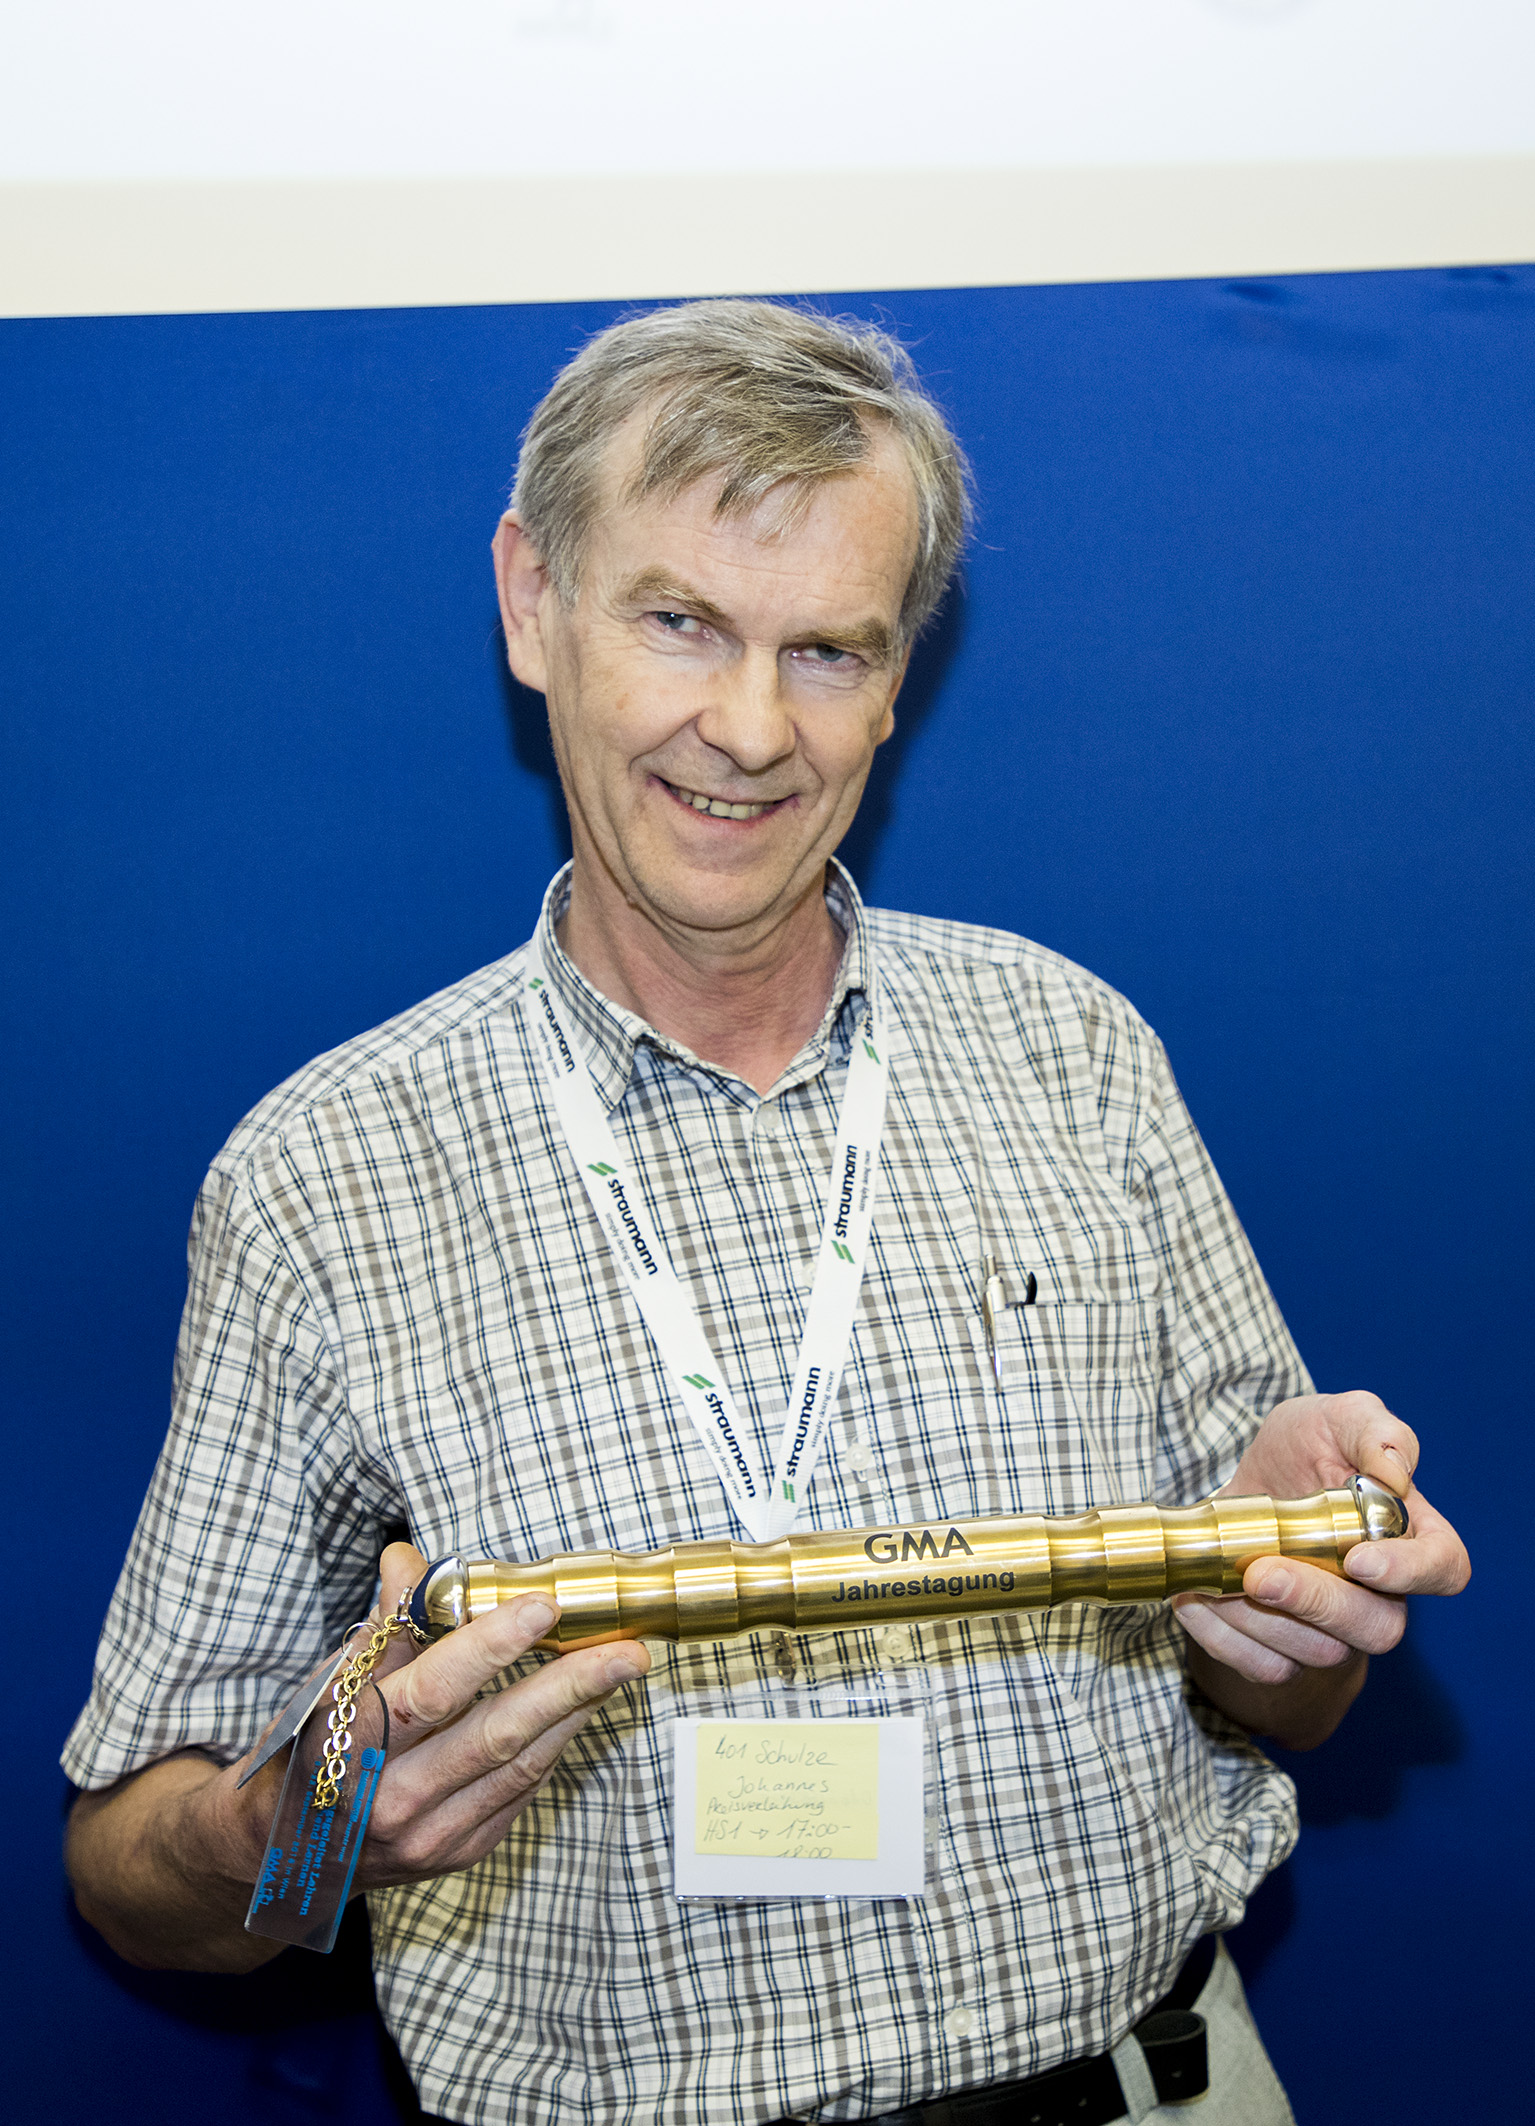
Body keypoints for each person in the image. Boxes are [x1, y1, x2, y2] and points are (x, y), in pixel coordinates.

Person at [64, 300, 1468, 2126]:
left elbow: (1287, 1706)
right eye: (681, 622)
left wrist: (1287, 1605)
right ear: (532, 602)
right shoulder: (323, 1177)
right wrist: (315, 1816)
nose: (747, 728)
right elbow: (130, 1864)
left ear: (897, 682)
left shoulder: (1076, 1052)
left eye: (825, 649)